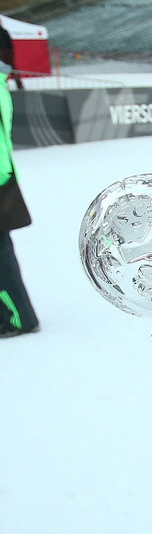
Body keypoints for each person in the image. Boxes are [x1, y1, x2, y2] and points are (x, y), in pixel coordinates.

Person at [0, 60, 38, 337]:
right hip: (3, 175)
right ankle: (16, 315)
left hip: (1, 176)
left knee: (2, 257)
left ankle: (17, 317)